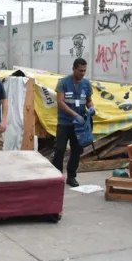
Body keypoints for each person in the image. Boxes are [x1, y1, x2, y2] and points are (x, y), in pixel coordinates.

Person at [52, 58, 95, 187]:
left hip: (79, 126)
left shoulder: (86, 84)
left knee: (76, 150)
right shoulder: (63, 83)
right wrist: (75, 115)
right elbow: (60, 102)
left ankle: (71, 176)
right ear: (74, 69)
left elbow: (88, 100)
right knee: (59, 150)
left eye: (84, 71)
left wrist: (91, 107)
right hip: (65, 123)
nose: (83, 73)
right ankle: (57, 177)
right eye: (80, 70)